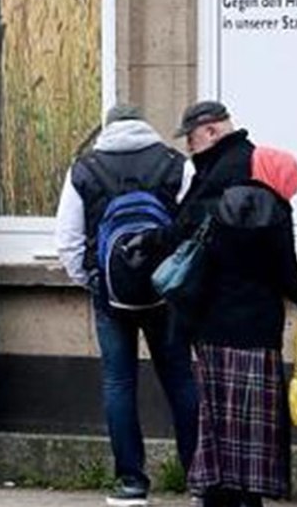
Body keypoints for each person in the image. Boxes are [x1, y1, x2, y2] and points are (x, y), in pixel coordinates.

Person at [53, 104, 197, 507]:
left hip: (111, 295)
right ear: (144, 126)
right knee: (181, 380)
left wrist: (95, 281)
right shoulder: (175, 164)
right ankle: (199, 478)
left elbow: (67, 239)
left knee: (118, 383)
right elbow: (194, 229)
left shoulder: (84, 168)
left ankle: (131, 482)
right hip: (166, 293)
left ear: (107, 129)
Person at [171, 101, 297, 507]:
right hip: (257, 329)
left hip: (212, 324)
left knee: (219, 420)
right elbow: (285, 274)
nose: (190, 148)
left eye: (191, 138)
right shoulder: (272, 209)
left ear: (210, 131)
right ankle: (249, 496)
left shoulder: (217, 192)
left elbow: (190, 241)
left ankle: (218, 492)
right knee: (254, 425)